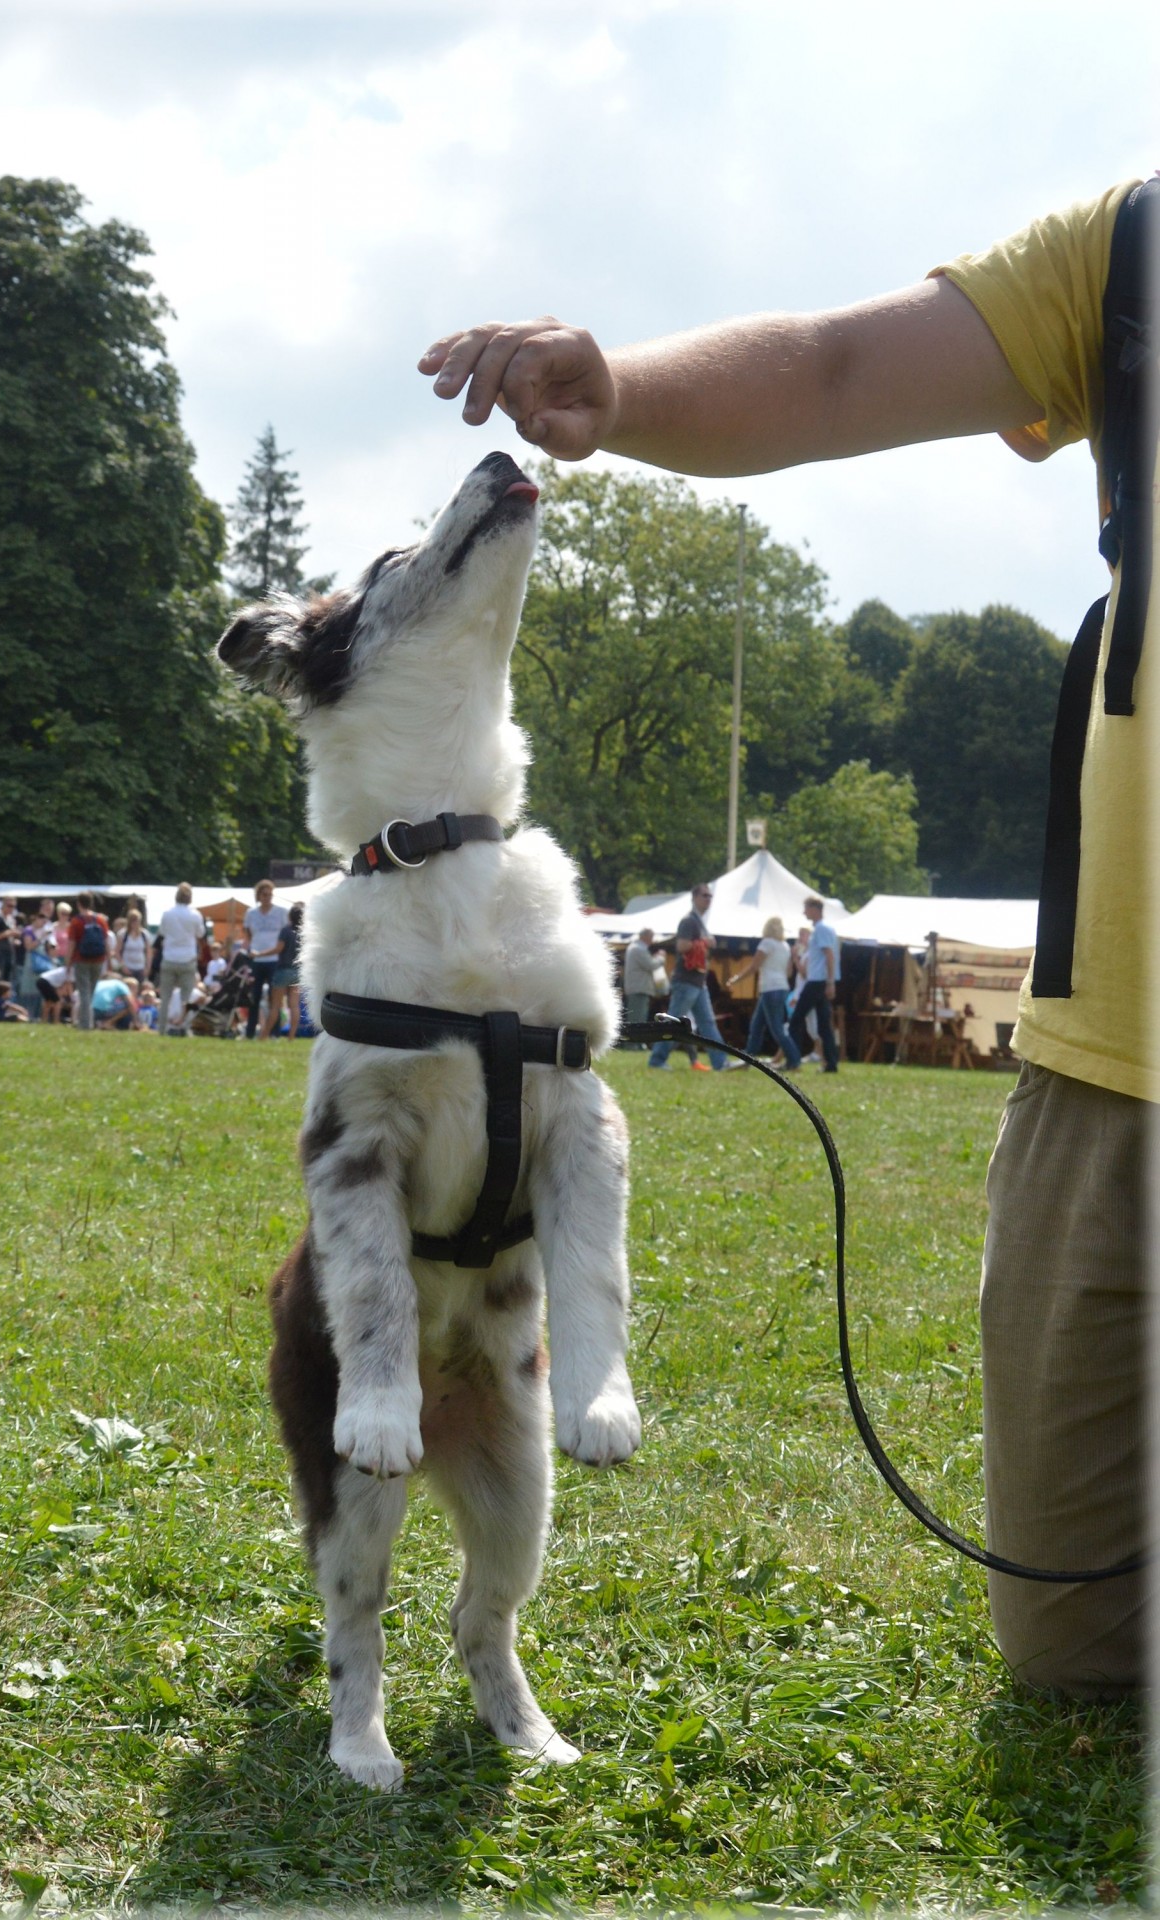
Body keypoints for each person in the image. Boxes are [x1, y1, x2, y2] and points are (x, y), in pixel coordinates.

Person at [422, 177, 1155, 1695]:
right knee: (1076, 1655)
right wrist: (617, 393)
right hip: (1116, 1066)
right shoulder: (1134, 241)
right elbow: (831, 365)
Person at [646, 884, 731, 1072]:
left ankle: (720, 1062)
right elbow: (682, 946)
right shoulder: (688, 921)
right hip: (686, 981)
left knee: (707, 1023)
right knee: (674, 1022)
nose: (708, 899)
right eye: (705, 896)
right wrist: (705, 942)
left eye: (710, 896)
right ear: (694, 898)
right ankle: (657, 1060)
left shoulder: (699, 921)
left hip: (698, 982)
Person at [737, 915, 802, 1070]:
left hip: (769, 988)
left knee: (776, 1029)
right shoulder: (785, 946)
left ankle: (794, 1060)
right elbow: (788, 973)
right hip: (781, 988)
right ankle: (748, 1059)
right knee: (757, 1026)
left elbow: (754, 966)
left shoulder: (766, 943)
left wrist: (736, 979)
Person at [787, 896, 840, 1074]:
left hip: (817, 981)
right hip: (820, 981)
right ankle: (831, 1064)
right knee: (824, 1025)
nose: (804, 912)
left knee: (795, 1020)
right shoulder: (823, 929)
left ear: (815, 909)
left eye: (806, 909)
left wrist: (830, 982)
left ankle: (793, 1060)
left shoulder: (821, 930)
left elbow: (829, 956)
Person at [242, 879, 289, 1040]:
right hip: (256, 960)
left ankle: (273, 1033)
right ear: (259, 895)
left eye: (270, 894)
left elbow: (285, 935)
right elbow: (247, 934)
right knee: (253, 997)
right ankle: (250, 1032)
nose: (267, 897)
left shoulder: (281, 912)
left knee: (274, 999)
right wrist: (249, 950)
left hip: (275, 960)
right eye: (264, 894)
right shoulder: (251, 913)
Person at [158, 883, 204, 1038]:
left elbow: (162, 932)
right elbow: (200, 933)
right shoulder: (195, 915)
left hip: (169, 958)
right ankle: (183, 1028)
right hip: (187, 959)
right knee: (186, 998)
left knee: (165, 997)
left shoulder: (167, 913)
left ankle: (162, 1030)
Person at [67, 891, 110, 1032]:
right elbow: (106, 942)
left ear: (79, 903)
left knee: (84, 992)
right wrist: (109, 961)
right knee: (90, 993)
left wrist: (67, 963)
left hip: (82, 959)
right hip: (98, 959)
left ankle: (85, 1024)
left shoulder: (76, 921)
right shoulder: (101, 920)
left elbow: (72, 944)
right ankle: (87, 1021)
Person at [265, 901, 304, 1039]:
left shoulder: (285, 930)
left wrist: (259, 954)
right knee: (294, 1005)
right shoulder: (304, 933)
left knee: (276, 1005)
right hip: (297, 972)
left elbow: (278, 949)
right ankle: (291, 1036)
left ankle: (264, 1036)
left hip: (283, 970)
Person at [621, 926, 658, 1041]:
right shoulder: (639, 949)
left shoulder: (635, 947)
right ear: (645, 936)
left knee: (637, 1017)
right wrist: (661, 959)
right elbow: (650, 965)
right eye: (651, 937)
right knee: (637, 1019)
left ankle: (635, 1042)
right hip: (639, 988)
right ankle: (633, 1043)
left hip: (637, 987)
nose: (652, 940)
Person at [116, 907, 152, 983]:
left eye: (137, 920)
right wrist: (123, 966)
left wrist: (147, 968)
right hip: (127, 968)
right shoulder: (123, 934)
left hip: (140, 968)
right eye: (133, 921)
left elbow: (149, 953)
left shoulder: (144, 934)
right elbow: (117, 952)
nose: (135, 923)